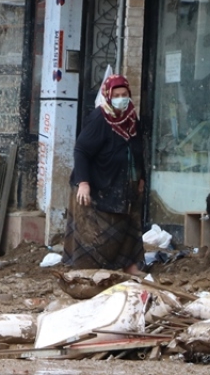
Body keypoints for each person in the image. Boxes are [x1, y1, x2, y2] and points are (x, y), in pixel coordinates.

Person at [63, 74, 145, 274]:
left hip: (124, 186)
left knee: (128, 230)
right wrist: (83, 183)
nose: (121, 99)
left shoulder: (131, 118)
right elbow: (81, 150)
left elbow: (137, 149)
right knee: (94, 236)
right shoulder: (100, 118)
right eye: (116, 95)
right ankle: (89, 272)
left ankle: (130, 267)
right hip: (99, 186)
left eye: (124, 94)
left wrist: (141, 177)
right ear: (108, 96)